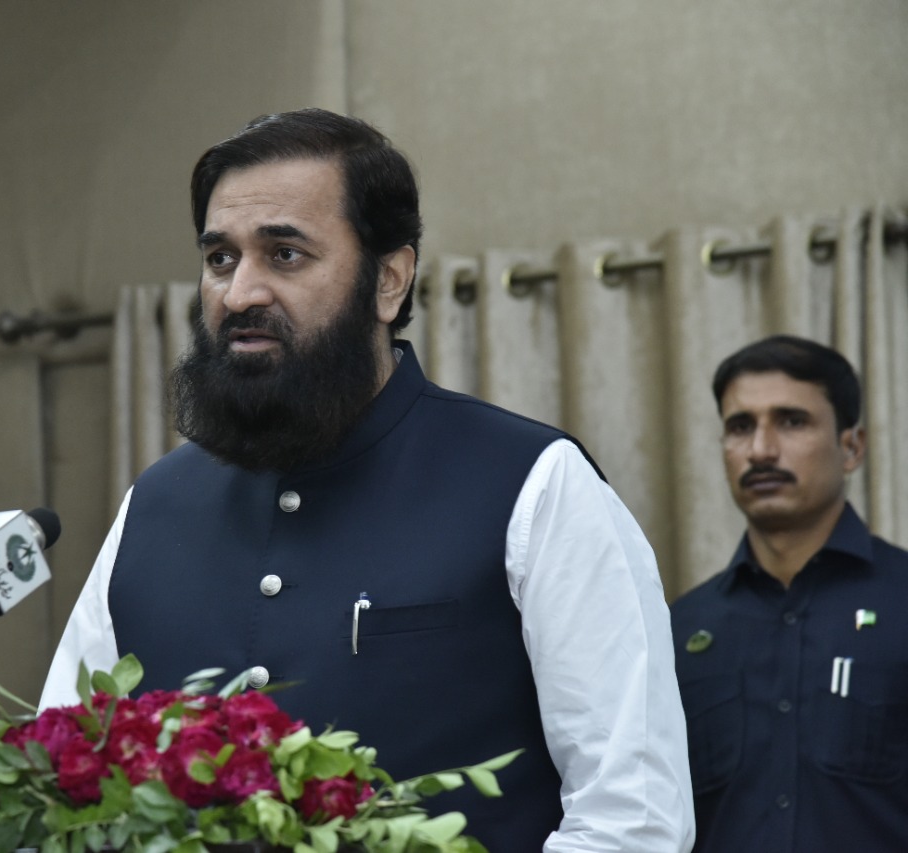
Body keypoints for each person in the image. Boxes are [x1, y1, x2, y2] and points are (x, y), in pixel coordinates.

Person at [42, 108, 693, 852]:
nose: (240, 292)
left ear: (389, 280)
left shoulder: (533, 483)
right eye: (220, 258)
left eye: (285, 254)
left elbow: (634, 817)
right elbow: (58, 792)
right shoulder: (154, 506)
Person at [670, 335, 908, 851]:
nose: (761, 449)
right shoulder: (679, 631)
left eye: (792, 421)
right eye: (741, 426)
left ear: (852, 447)